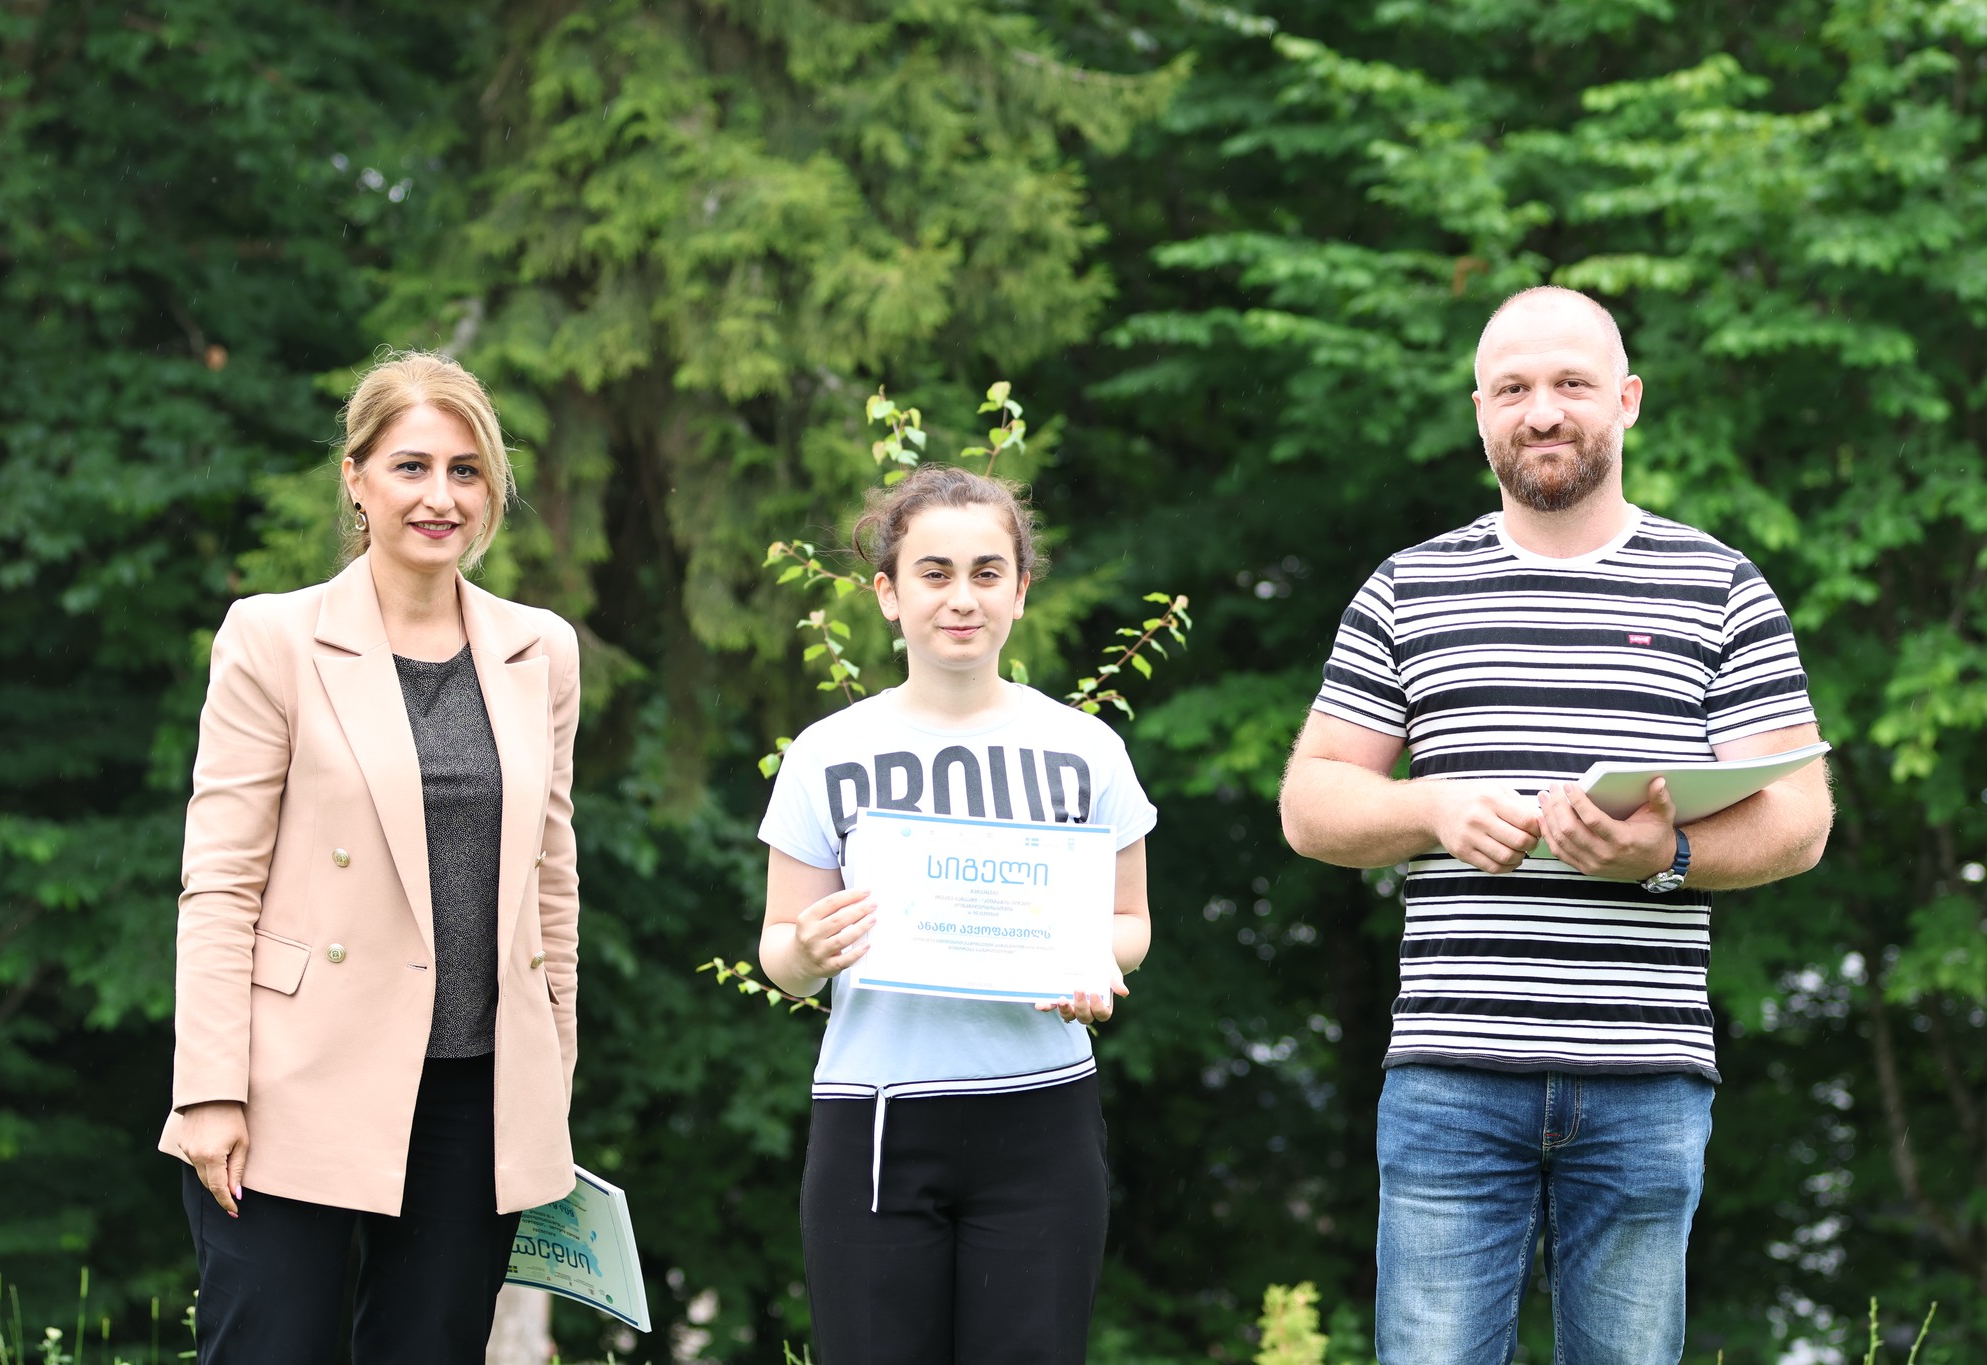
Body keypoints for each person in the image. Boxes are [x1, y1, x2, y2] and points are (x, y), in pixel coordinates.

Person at [1278, 287, 1832, 1365]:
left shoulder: (1718, 585)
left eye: (1571, 384)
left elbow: (1801, 818)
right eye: (1513, 389)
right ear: (1478, 412)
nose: (1541, 412)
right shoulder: (1408, 588)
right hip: (1449, 1071)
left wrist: (1667, 855)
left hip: (1646, 1074)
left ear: (1626, 400)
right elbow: (1310, 803)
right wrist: (1430, 806)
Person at [159, 351, 583, 1364]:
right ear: (355, 477)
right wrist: (210, 1088)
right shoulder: (271, 638)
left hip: (475, 1095)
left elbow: (551, 879)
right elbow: (219, 882)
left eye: (466, 470)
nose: (441, 497)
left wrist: (551, 1072)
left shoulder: (540, 650)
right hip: (289, 1084)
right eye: (411, 466)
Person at [756, 465, 1155, 1365]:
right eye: (933, 573)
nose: (962, 597)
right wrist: (808, 951)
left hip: (1042, 1114)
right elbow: (781, 948)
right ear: (888, 595)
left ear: (1021, 590)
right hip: (874, 1119)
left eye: (986, 572)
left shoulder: (1086, 749)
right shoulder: (827, 754)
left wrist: (1092, 963)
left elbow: (1130, 920)